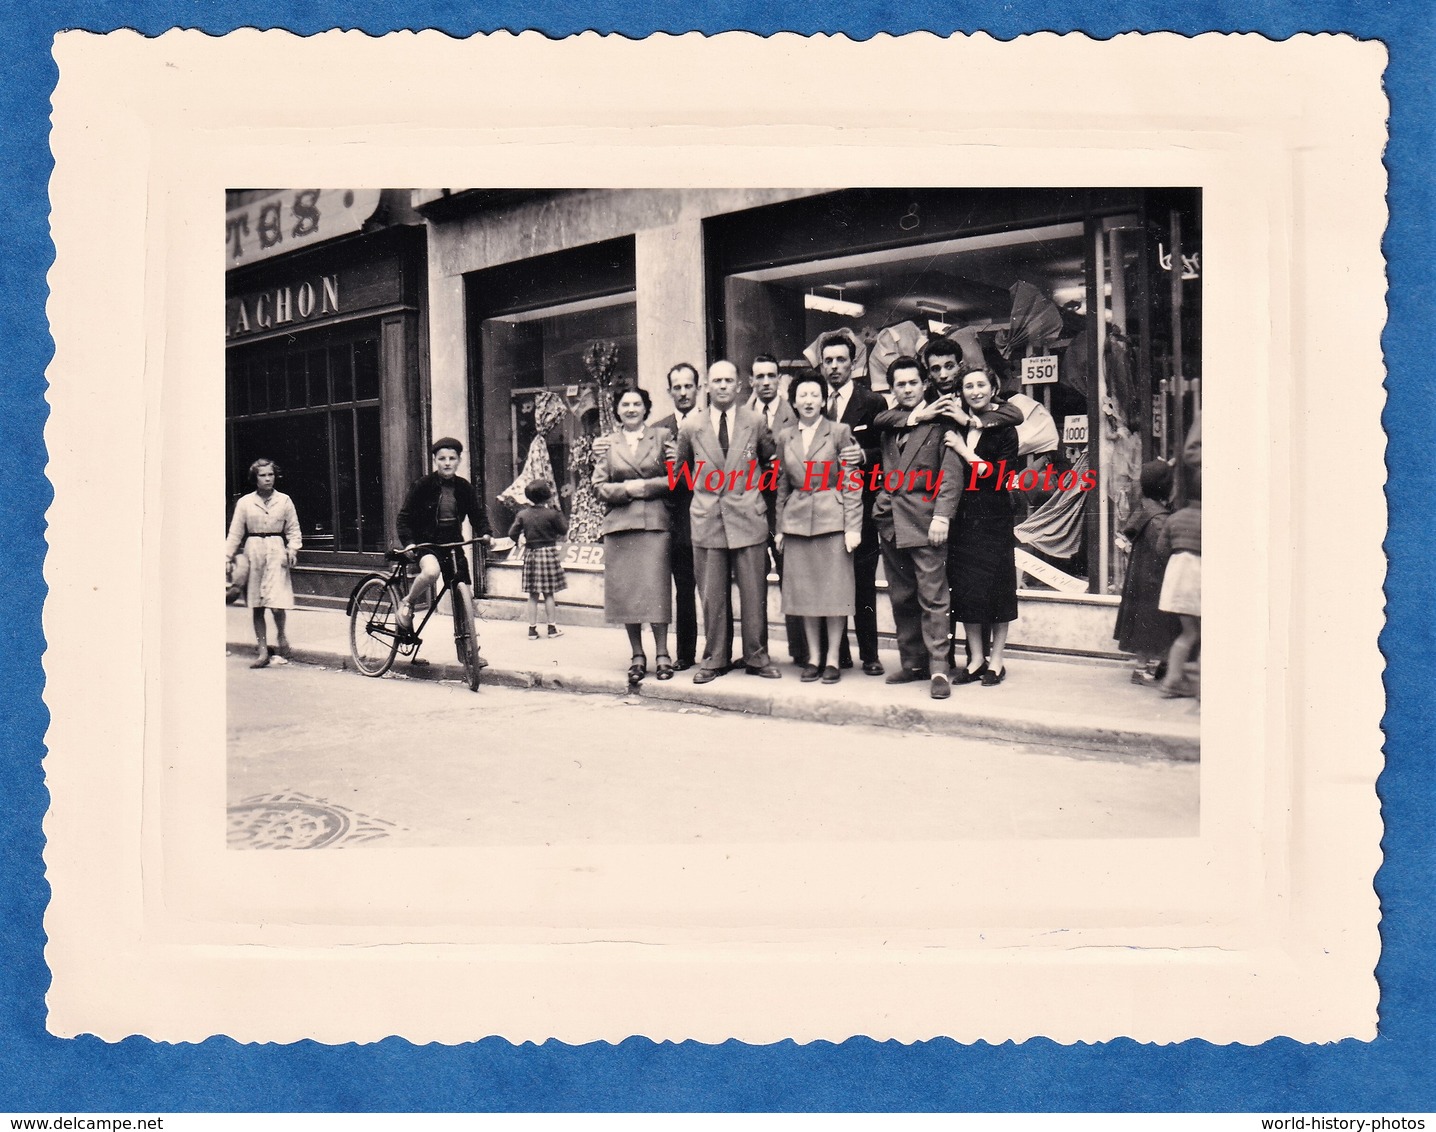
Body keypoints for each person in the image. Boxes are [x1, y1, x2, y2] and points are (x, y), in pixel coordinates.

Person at [676, 359, 781, 683]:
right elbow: (680, 471)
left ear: (739, 386)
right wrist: (705, 493)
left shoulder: (756, 421)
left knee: (754, 594)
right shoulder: (691, 426)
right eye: (716, 380)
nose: (722, 385)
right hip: (708, 520)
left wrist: (753, 495)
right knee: (712, 596)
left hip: (748, 518)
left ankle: (757, 657)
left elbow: (771, 464)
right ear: (706, 386)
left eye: (728, 380)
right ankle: (715, 659)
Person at [870, 359, 963, 699]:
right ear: (892, 388)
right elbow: (880, 418)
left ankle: (939, 668)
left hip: (926, 521)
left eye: (912, 383)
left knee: (934, 597)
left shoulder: (944, 422)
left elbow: (952, 474)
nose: (907, 389)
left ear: (925, 384)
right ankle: (912, 662)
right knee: (902, 595)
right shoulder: (893, 421)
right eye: (899, 384)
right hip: (892, 520)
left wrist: (943, 516)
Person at [773, 372, 863, 683]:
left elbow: (852, 482)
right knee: (807, 595)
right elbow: (781, 486)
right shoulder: (785, 436)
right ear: (794, 401)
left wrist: (853, 526)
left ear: (824, 400)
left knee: (834, 595)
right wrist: (780, 528)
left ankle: (834, 659)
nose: (809, 401)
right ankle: (813, 657)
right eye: (803, 395)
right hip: (797, 522)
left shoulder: (839, 431)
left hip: (833, 521)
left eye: (815, 395)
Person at [943, 365, 1021, 686]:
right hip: (963, 518)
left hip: (994, 517)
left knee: (998, 589)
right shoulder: (956, 424)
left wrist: (963, 450)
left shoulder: (1004, 429)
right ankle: (975, 659)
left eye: (980, 385)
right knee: (967, 590)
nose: (974, 391)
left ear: (992, 389)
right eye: (968, 386)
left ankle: (997, 661)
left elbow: (999, 476)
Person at [593, 387, 676, 681]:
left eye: (637, 404)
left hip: (654, 522)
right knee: (627, 593)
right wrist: (626, 489)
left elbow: (676, 476)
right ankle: (637, 655)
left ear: (646, 408)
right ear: (617, 410)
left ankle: (663, 654)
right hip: (620, 525)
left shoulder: (662, 436)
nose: (630, 409)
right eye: (625, 404)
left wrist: (648, 487)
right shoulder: (608, 444)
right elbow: (598, 486)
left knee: (656, 590)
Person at [819, 333, 887, 676]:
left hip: (861, 505)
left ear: (853, 363)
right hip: (823, 507)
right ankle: (839, 654)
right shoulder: (813, 401)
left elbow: (886, 451)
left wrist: (863, 455)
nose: (834, 367)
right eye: (828, 361)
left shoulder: (872, 402)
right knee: (832, 581)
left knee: (862, 582)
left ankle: (870, 654)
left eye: (840, 360)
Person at [395, 438, 492, 667]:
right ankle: (407, 603)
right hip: (427, 543)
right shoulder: (423, 485)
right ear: (435, 460)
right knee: (431, 572)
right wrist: (409, 542)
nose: (447, 463)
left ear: (459, 460)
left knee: (464, 596)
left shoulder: (464, 487)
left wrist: (486, 533)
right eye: (442, 459)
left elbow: (477, 515)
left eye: (452, 459)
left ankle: (468, 652)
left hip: (453, 544)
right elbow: (404, 517)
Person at [748, 354, 806, 667]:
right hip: (753, 507)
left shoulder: (794, 412)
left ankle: (800, 650)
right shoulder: (742, 415)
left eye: (772, 376)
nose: (766, 382)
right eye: (760, 377)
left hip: (786, 506)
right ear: (751, 381)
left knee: (791, 577)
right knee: (753, 580)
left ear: (779, 378)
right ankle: (757, 652)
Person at [647, 362, 703, 671]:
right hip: (667, 520)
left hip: (701, 517)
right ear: (670, 391)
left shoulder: (709, 423)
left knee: (708, 590)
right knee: (679, 589)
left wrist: (682, 466)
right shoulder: (659, 429)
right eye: (677, 387)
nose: (683, 392)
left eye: (688, 386)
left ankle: (716, 652)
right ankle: (683, 654)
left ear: (698, 388)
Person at [225, 458, 302, 668]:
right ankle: (262, 651)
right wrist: (226, 557)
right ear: (255, 478)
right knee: (257, 606)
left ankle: (281, 635)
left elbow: (293, 530)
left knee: (277, 605)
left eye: (271, 475)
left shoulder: (285, 501)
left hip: (277, 551)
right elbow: (235, 534)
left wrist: (292, 548)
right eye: (263, 475)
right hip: (254, 553)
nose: (268, 479)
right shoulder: (245, 503)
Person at [1113, 460, 1181, 683]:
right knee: (1156, 623)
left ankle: (1145, 668)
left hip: (1142, 577)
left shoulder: (1144, 508)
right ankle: (1145, 670)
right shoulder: (1160, 519)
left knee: (1146, 623)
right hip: (1155, 578)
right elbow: (1166, 550)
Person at [507, 479, 569, 641]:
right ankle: (552, 628)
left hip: (531, 554)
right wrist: (559, 513)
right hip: (548, 554)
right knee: (549, 594)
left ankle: (532, 630)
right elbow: (563, 529)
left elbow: (512, 533)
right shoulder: (552, 514)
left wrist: (519, 540)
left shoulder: (522, 514)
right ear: (548, 496)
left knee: (533, 595)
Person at [1156, 488, 1201, 698]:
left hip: (1178, 579)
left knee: (1189, 632)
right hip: (1198, 578)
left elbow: (1161, 549)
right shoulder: (1209, 519)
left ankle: (1172, 679)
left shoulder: (1175, 518)